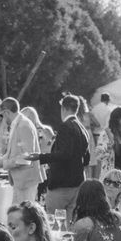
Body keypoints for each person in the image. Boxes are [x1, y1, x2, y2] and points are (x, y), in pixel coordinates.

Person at [27, 93, 90, 224]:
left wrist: (39, 157)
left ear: (64, 108)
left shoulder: (66, 127)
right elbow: (87, 158)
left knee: (55, 224)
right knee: (70, 224)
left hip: (61, 185)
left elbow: (64, 154)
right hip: (77, 183)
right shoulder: (82, 128)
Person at [0, 97, 44, 203]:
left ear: (7, 112)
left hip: (26, 181)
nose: (3, 119)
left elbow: (27, 157)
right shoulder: (18, 124)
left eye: (2, 115)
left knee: (24, 216)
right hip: (20, 181)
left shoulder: (24, 125)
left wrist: (5, 163)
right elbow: (15, 151)